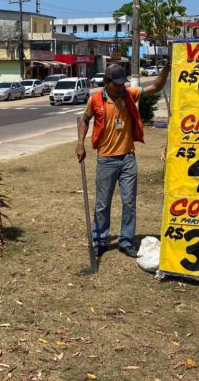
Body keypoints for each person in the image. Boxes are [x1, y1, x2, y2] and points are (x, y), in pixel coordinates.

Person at [76, 62, 171, 258]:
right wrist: (80, 143)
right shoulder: (95, 100)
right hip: (106, 159)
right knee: (103, 203)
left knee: (129, 202)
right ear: (106, 82)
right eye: (117, 84)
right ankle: (100, 239)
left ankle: (126, 241)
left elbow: (156, 87)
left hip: (128, 158)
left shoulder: (129, 94)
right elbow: (85, 120)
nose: (121, 87)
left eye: (122, 83)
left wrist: (166, 69)